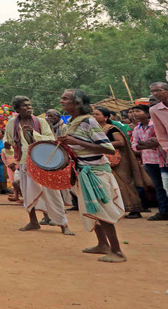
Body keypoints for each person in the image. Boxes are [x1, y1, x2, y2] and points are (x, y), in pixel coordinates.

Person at [58, 89, 126, 263]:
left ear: (78, 103)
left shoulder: (88, 121)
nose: (62, 101)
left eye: (66, 98)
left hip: (95, 171)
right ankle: (102, 244)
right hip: (84, 170)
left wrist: (77, 142)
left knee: (101, 208)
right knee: (92, 207)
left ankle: (117, 251)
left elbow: (108, 148)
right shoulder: (73, 122)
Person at [4, 96, 73, 236]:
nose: (29, 107)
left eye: (30, 105)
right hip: (24, 162)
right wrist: (8, 147)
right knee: (28, 194)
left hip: (42, 162)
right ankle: (33, 221)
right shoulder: (11, 123)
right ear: (17, 109)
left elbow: (50, 139)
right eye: (25, 105)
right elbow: (9, 142)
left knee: (52, 194)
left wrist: (33, 134)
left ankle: (63, 224)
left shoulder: (40, 122)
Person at [93, 107, 144, 218]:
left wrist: (103, 145)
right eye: (93, 114)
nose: (94, 116)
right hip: (105, 160)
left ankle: (134, 210)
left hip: (119, 161)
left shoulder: (112, 129)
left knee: (125, 183)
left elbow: (120, 142)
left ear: (106, 117)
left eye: (97, 114)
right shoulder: (95, 130)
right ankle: (117, 209)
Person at [129, 102, 168, 221]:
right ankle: (164, 211)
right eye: (133, 111)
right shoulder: (137, 128)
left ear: (147, 114)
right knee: (158, 186)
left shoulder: (155, 125)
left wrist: (144, 144)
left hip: (162, 159)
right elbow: (135, 146)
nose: (134, 114)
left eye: (137, 111)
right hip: (149, 161)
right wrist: (149, 144)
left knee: (165, 186)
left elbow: (159, 142)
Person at [149, 82, 168, 153]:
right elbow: (160, 132)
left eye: (157, 90)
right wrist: (166, 148)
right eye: (152, 91)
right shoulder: (154, 110)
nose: (154, 94)